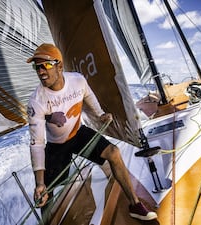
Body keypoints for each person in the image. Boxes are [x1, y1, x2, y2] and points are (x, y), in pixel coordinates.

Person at [26, 43, 157, 221]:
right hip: (56, 146)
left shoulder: (77, 80)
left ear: (60, 66)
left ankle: (135, 205)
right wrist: (39, 182)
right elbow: (37, 144)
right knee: (45, 193)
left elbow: (88, 95)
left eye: (46, 65)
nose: (41, 71)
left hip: (79, 133)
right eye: (37, 66)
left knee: (114, 152)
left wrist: (100, 114)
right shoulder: (36, 101)